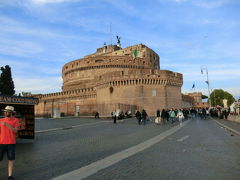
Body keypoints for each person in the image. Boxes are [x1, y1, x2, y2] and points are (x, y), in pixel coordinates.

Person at [0, 106, 20, 180]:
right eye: (5, 111)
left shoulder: (16, 120)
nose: (5, 113)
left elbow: (15, 131)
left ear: (11, 112)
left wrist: (8, 125)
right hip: (1, 143)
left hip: (11, 143)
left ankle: (10, 176)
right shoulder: (1, 120)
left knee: (11, 159)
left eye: (7, 111)